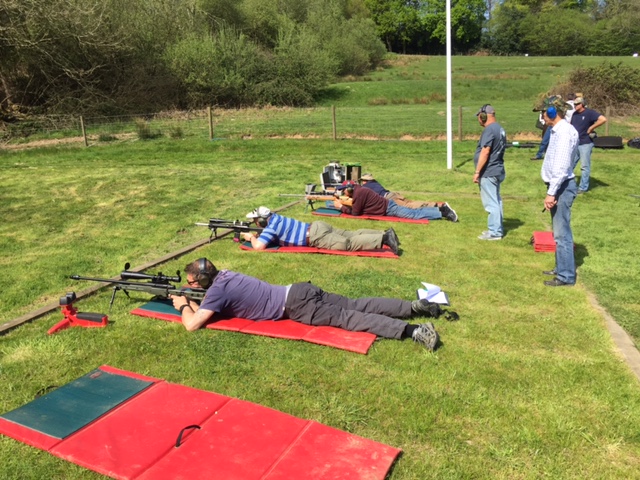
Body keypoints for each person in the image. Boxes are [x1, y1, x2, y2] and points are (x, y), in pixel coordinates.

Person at [169, 258, 443, 351]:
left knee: (350, 318)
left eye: (192, 283)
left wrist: (183, 305)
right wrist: (193, 297)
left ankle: (414, 330)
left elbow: (192, 325)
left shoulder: (216, 292)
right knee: (357, 304)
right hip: (299, 289)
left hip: (296, 306)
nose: (190, 286)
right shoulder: (226, 275)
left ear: (203, 280)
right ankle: (412, 307)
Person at [241, 206, 400, 255]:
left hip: (315, 236)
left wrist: (251, 238)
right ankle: (384, 233)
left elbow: (259, 247)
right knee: (350, 233)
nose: (256, 223)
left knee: (348, 244)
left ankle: (384, 239)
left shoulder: (271, 227)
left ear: (262, 220)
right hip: (317, 226)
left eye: (256, 221)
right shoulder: (276, 218)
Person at [540, 106, 579, 287]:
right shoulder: (560, 130)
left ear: (552, 113)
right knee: (558, 232)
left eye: (543, 113)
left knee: (562, 234)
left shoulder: (563, 133)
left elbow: (562, 167)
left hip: (561, 186)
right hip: (559, 185)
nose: (542, 116)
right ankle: (561, 267)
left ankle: (566, 276)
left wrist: (551, 193)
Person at [334, 185, 458, 222]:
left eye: (344, 191)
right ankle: (441, 210)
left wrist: (341, 207)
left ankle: (444, 212)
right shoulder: (359, 191)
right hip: (388, 206)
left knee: (414, 215)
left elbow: (355, 213)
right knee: (414, 212)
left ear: (349, 189)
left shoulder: (359, 194)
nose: (343, 193)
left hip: (389, 208)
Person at [473, 104, 506, 240]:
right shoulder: (499, 128)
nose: (478, 119)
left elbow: (485, 152)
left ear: (484, 116)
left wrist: (477, 172)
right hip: (497, 169)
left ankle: (495, 232)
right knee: (496, 200)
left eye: (479, 116)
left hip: (489, 171)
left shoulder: (489, 130)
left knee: (491, 202)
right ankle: (496, 228)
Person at [570, 96, 607, 194]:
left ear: (582, 104)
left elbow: (603, 119)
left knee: (584, 166)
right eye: (574, 104)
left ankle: (583, 187)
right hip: (575, 143)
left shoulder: (590, 113)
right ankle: (568, 185)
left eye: (577, 104)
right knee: (570, 165)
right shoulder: (574, 114)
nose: (575, 106)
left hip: (585, 143)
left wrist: (591, 128)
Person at [358, 173, 444, 209]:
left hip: (390, 198)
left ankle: (435, 205)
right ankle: (434, 204)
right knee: (411, 202)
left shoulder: (366, 186)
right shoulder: (375, 182)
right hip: (393, 194)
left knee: (409, 206)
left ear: (365, 180)